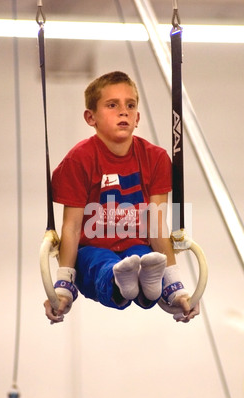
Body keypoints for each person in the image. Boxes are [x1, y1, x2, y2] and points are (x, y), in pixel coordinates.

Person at [43, 71, 199, 324]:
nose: (123, 112)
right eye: (112, 105)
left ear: (137, 118)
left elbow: (157, 226)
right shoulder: (79, 160)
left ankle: (148, 285)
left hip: (136, 246)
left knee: (147, 258)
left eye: (130, 105)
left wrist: (176, 287)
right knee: (99, 263)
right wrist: (62, 286)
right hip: (93, 250)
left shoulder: (156, 159)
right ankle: (119, 281)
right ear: (90, 117)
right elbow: (70, 228)